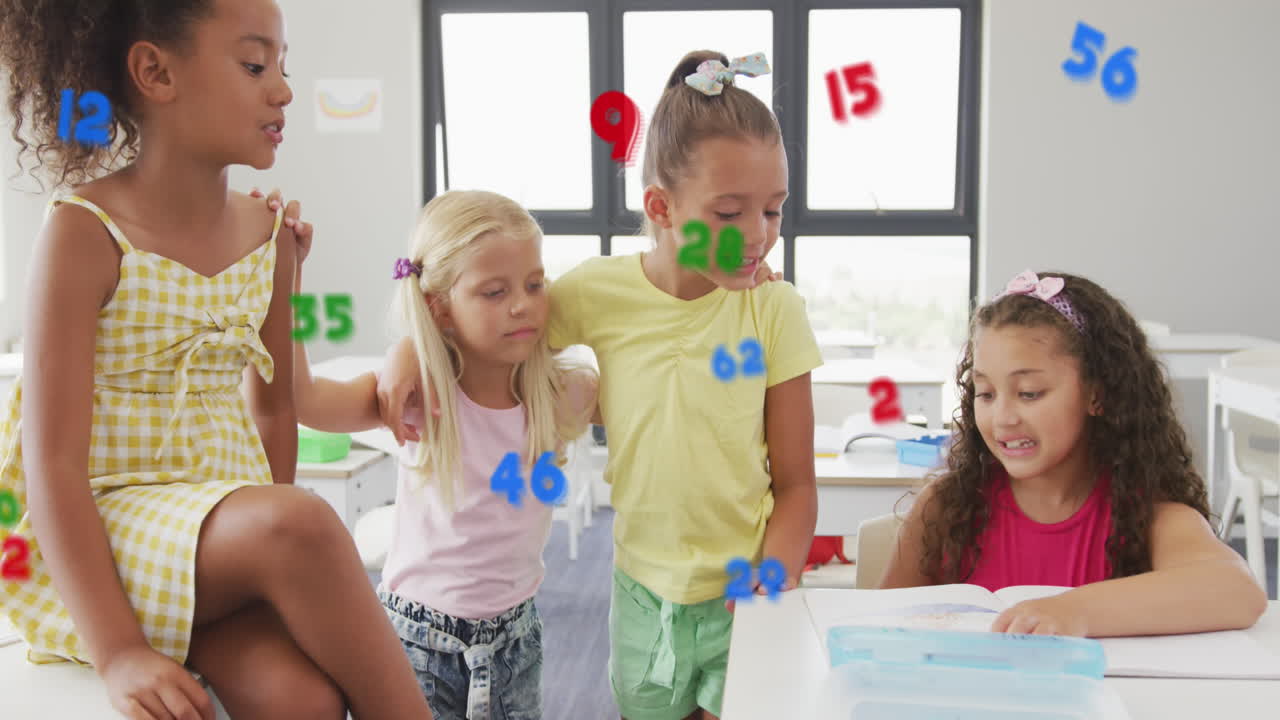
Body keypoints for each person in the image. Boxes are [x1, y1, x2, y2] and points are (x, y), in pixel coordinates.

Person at [0, 2, 434, 717]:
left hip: (212, 534)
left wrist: (266, 551)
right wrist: (119, 652)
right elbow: (52, 467)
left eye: (284, 67)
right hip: (101, 533)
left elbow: (276, 408)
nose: (284, 90)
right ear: (155, 72)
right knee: (303, 524)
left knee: (300, 701)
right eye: (255, 65)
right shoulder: (83, 232)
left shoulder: (271, 235)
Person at [379, 49, 822, 720]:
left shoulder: (775, 309)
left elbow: (797, 485)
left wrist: (773, 578)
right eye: (731, 213)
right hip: (641, 591)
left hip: (743, 593)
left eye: (774, 210)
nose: (758, 236)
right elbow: (494, 326)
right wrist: (412, 345)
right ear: (660, 206)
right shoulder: (596, 291)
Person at [291, 189, 598, 720]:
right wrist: (287, 281)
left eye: (534, 284)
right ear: (440, 308)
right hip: (416, 646)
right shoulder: (420, 396)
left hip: (515, 645)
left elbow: (653, 387)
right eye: (494, 292)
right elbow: (305, 400)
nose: (522, 305)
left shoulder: (562, 393)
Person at [880, 270, 1268, 637]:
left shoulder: (1149, 516)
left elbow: (1236, 591)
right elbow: (877, 626)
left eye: (1029, 393)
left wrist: (1073, 611)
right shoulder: (945, 508)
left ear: (1097, 394)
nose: (1003, 417)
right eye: (985, 394)